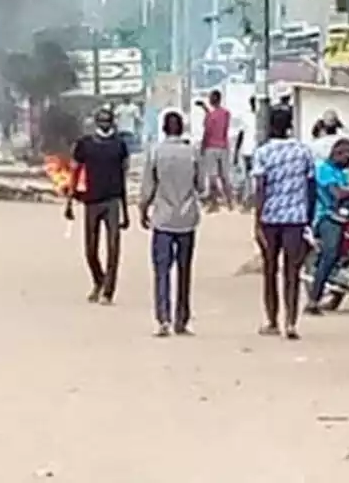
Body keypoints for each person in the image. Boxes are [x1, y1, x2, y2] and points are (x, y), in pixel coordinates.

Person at [250, 105, 316, 339]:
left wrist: (256, 221)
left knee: (270, 270)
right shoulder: (303, 151)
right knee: (292, 272)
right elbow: (311, 186)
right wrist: (309, 217)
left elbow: (260, 188)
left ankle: (271, 320)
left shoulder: (263, 153)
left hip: (270, 218)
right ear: (290, 126)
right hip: (296, 219)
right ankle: (291, 322)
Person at [139, 109, 202, 336]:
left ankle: (163, 318)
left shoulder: (155, 152)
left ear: (164, 129)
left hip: (163, 219)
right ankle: (182, 320)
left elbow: (148, 186)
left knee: (161, 270)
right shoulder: (192, 152)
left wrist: (143, 209)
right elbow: (201, 185)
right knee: (185, 270)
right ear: (182, 128)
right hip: (187, 218)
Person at [65, 108, 130, 305]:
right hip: (91, 200)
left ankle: (108, 291)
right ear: (95, 122)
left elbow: (123, 178)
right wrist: (69, 200)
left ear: (112, 122)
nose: (104, 124)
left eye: (107, 120)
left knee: (113, 248)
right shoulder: (85, 144)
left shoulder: (120, 145)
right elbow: (75, 173)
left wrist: (125, 210)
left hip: (113, 200)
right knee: (90, 250)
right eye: (101, 121)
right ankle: (99, 281)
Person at [305, 138, 349, 315]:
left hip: (343, 217)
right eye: (347, 154)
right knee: (331, 253)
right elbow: (336, 194)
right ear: (336, 153)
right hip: (326, 218)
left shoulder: (341, 173)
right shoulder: (324, 170)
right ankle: (313, 300)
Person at [199, 90, 235, 209]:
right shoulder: (226, 113)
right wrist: (206, 110)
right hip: (223, 146)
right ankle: (230, 202)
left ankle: (214, 203)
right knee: (225, 176)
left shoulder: (211, 116)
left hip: (211, 147)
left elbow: (207, 131)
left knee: (212, 176)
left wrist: (203, 147)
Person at [232, 96, 258, 207]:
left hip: (255, 150)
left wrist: (236, 153)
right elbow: (240, 135)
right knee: (250, 176)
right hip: (249, 149)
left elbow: (240, 135)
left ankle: (250, 199)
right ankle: (248, 199)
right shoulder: (248, 116)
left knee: (252, 176)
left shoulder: (260, 116)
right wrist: (236, 153)